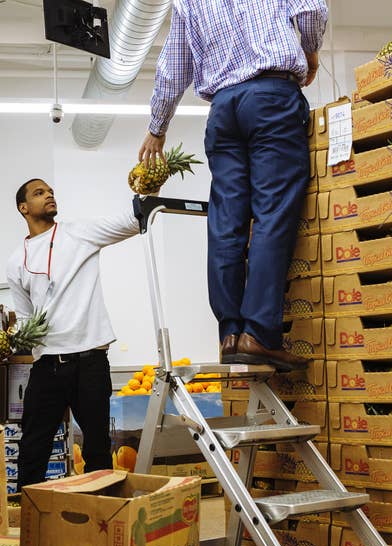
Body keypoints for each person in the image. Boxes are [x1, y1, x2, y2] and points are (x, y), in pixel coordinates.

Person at [140, 0, 329, 372]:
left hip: (223, 110)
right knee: (272, 213)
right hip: (271, 97)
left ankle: (230, 335)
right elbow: (312, 10)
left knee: (226, 221)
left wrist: (157, 127)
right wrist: (310, 50)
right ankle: (259, 334)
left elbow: (173, 67)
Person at [7, 179, 140, 488]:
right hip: (47, 364)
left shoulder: (78, 233)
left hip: (90, 360)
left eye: (51, 191)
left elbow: (131, 221)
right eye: (39, 193)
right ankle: (32, 519)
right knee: (33, 447)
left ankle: (102, 517)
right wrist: (10, 341)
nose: (49, 195)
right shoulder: (16, 261)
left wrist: (147, 188)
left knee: (96, 446)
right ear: (23, 208)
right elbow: (27, 318)